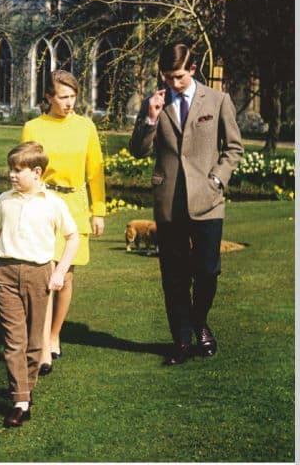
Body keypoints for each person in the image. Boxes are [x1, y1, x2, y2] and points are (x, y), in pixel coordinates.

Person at [129, 42, 244, 365]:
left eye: (179, 76)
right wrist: (150, 119)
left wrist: (217, 179)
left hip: (208, 201)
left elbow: (234, 148)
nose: (173, 83)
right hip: (169, 201)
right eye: (167, 77)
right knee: (174, 275)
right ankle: (181, 340)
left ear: (192, 69)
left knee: (207, 271)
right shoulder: (154, 102)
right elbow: (138, 150)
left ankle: (199, 322)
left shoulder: (218, 100)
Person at [0, 142, 79, 427]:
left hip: (39, 274)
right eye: (10, 170)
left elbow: (72, 238)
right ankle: (21, 401)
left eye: (18, 170)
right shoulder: (5, 199)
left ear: (37, 172)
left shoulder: (53, 203)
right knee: (14, 340)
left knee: (36, 341)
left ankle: (25, 387)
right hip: (6, 272)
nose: (11, 175)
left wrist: (59, 272)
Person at [20, 70, 106, 374]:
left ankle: (54, 335)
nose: (69, 103)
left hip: (75, 206)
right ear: (48, 97)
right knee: (46, 276)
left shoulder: (85, 127)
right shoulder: (33, 127)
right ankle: (42, 345)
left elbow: (95, 170)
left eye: (72, 97)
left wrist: (98, 210)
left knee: (65, 276)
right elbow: (25, 170)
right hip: (43, 205)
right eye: (62, 97)